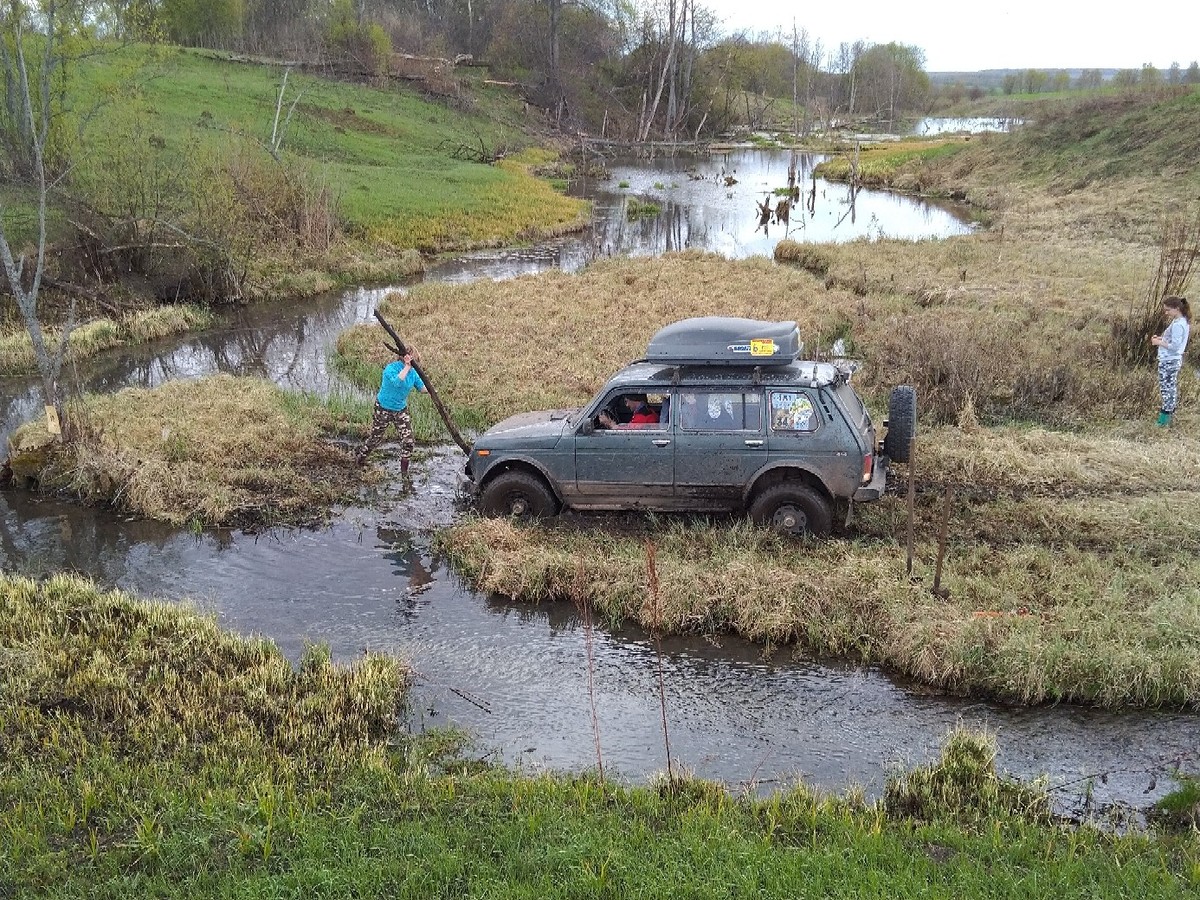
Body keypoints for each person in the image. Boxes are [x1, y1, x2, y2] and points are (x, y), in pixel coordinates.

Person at [356, 351, 426, 473]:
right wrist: (407, 367)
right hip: (383, 408)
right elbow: (397, 382)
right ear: (406, 359)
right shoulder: (390, 369)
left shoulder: (413, 373)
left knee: (408, 441)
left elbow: (422, 388)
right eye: (413, 362)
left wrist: (432, 390)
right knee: (375, 439)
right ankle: (360, 460)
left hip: (400, 410)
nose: (415, 365)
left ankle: (404, 474)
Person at [1150, 296, 1191, 427]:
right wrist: (1162, 338)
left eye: (1168, 310)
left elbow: (1175, 346)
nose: (1166, 313)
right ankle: (1169, 417)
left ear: (1177, 308)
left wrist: (1158, 342)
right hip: (1173, 360)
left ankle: (1163, 421)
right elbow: (1173, 340)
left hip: (1169, 361)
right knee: (1170, 388)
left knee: (1166, 390)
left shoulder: (1179, 324)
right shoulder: (1182, 321)